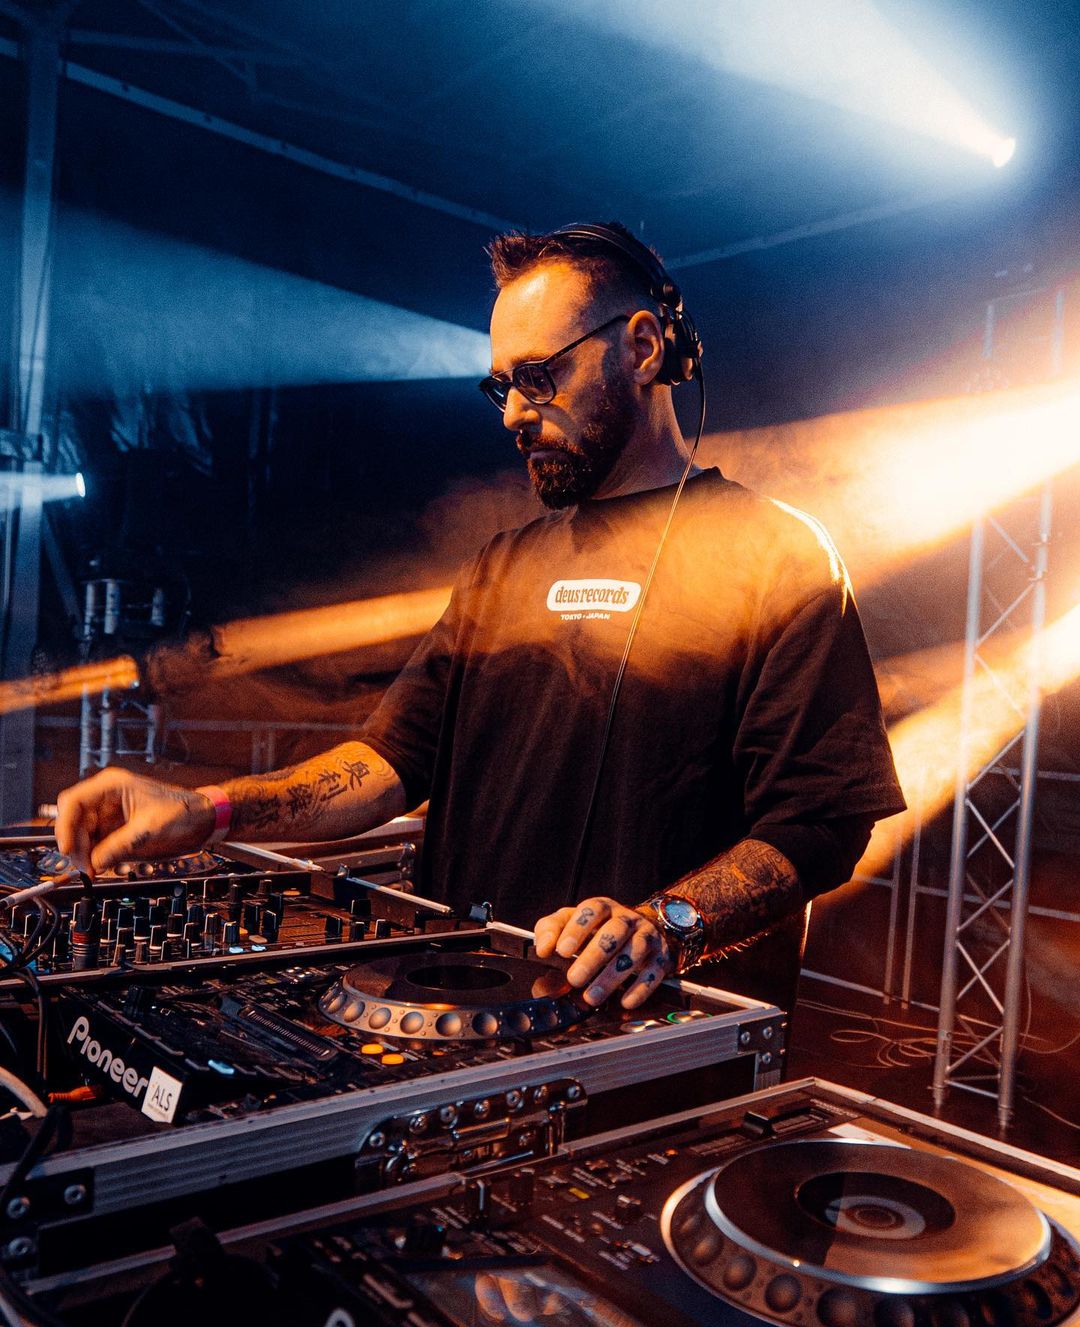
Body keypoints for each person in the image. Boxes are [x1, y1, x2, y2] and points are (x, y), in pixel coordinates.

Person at [56, 222, 905, 1015]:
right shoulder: (503, 566)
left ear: (644, 348)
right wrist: (208, 810)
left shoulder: (777, 556)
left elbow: (823, 820)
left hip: (648, 1038)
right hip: (461, 1014)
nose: (513, 415)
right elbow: (388, 763)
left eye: (539, 377)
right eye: (502, 386)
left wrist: (665, 926)